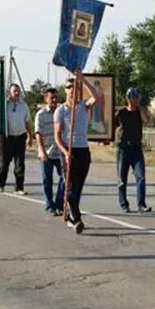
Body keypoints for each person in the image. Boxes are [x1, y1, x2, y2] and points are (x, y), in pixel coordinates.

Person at [54, 75, 97, 233]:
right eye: (69, 87)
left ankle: (72, 215)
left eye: (75, 87)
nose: (72, 90)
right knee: (70, 187)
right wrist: (65, 152)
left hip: (83, 150)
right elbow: (57, 135)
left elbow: (95, 96)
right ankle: (76, 218)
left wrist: (83, 80)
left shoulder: (83, 106)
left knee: (78, 187)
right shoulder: (61, 111)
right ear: (65, 91)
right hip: (69, 150)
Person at [115, 87, 152, 214]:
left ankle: (141, 204)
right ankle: (124, 204)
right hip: (123, 148)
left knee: (141, 176)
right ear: (129, 98)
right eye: (135, 97)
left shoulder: (140, 112)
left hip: (136, 147)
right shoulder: (121, 113)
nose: (137, 100)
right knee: (122, 178)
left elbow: (148, 121)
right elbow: (110, 126)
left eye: (138, 97)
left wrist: (142, 109)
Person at [0, 83, 33, 194]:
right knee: (4, 163)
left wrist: (30, 136)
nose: (17, 93)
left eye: (18, 91)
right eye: (14, 91)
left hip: (20, 136)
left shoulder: (23, 105)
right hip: (7, 138)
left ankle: (19, 187)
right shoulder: (3, 105)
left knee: (20, 164)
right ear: (10, 92)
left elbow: (27, 122)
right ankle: (0, 184)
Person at [35, 87, 64, 216]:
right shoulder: (40, 115)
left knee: (65, 178)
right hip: (46, 152)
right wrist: (41, 151)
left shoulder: (61, 112)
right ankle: (49, 205)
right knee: (47, 180)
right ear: (46, 99)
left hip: (60, 152)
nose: (54, 100)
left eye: (56, 97)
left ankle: (59, 204)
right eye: (51, 98)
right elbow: (38, 134)